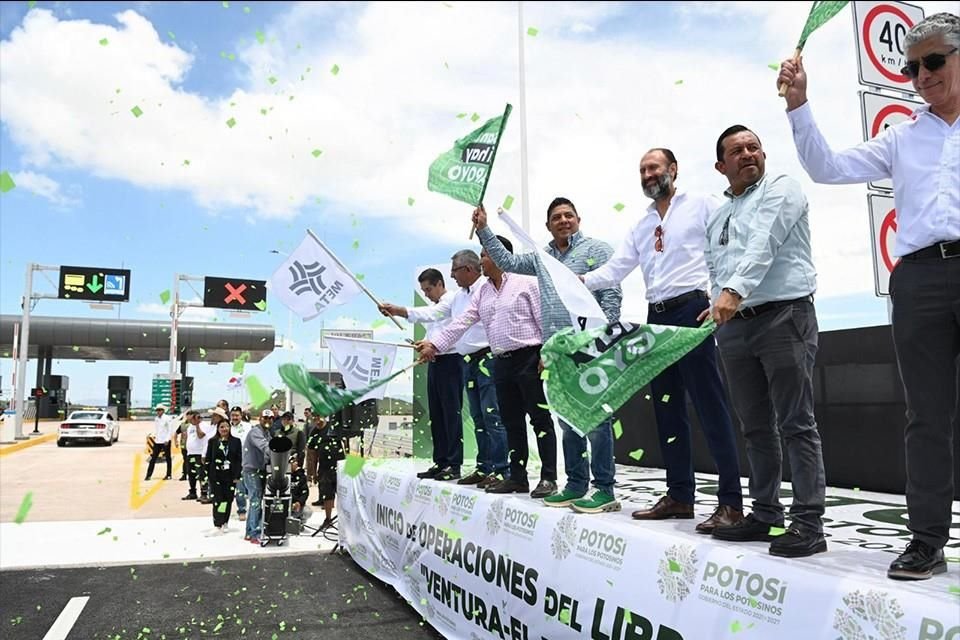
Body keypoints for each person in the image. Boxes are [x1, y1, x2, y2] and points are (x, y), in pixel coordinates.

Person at [777, 12, 959, 578]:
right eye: (911, 68)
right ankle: (926, 541)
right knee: (926, 416)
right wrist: (799, 106)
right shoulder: (903, 134)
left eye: (934, 61)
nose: (921, 75)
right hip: (921, 279)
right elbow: (826, 167)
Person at [583, 149, 744, 533]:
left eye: (654, 167)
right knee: (667, 409)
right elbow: (617, 268)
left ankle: (731, 503)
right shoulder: (640, 225)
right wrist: (581, 282)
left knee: (710, 407)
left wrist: (724, 293)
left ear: (673, 169)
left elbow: (730, 246)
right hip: (656, 318)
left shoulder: (703, 204)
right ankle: (680, 497)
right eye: (642, 170)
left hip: (693, 311)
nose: (648, 174)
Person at [699, 124, 826, 559]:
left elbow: (763, 243)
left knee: (796, 422)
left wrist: (732, 292)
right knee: (755, 427)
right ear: (721, 166)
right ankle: (766, 513)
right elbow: (716, 266)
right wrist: (718, 300)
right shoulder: (717, 215)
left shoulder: (783, 189)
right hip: (735, 329)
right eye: (736, 151)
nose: (748, 154)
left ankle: (808, 522)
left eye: (753, 147)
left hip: (784, 317)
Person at [473, 199, 622, 512]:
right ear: (548, 225)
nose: (563, 220)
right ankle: (576, 484)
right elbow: (507, 260)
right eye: (556, 217)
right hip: (557, 352)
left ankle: (605, 489)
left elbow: (611, 294)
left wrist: (604, 337)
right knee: (568, 421)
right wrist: (484, 229)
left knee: (596, 420)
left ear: (578, 218)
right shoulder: (543, 259)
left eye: (569, 215)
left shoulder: (597, 250)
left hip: (590, 345)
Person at [417, 237, 558, 499]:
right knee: (511, 422)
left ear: (500, 254)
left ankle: (549, 477)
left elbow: (545, 320)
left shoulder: (526, 282)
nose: (481, 260)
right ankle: (517, 477)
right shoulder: (483, 292)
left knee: (539, 420)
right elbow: (462, 323)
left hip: (529, 358)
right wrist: (434, 345)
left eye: (485, 255)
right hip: (501, 362)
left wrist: (547, 353)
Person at [379, 252, 509, 489]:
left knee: (485, 415)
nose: (451, 275)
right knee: (469, 416)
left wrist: (402, 313)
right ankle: (476, 465)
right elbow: (441, 318)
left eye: (454, 270)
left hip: (477, 358)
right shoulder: (458, 298)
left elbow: (457, 323)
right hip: (458, 358)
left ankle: (493, 468)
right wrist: (427, 341)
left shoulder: (484, 288)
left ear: (469, 269)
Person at [204, 418, 242, 536]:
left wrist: (237, 475)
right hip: (216, 476)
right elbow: (208, 459)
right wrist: (208, 475)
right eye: (222, 427)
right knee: (218, 500)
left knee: (228, 499)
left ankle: (225, 521)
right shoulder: (213, 441)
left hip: (230, 476)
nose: (224, 429)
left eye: (226, 426)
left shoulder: (236, 441)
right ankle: (217, 524)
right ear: (218, 429)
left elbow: (238, 460)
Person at [241, 409, 273, 543]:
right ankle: (255, 533)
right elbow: (266, 447)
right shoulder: (256, 432)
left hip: (259, 470)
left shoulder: (267, 433)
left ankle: (249, 532)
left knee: (256, 500)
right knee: (256, 501)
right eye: (265, 418)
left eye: (270, 418)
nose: (267, 421)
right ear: (260, 419)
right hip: (252, 470)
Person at [311, 412, 344, 529]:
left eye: (318, 417)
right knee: (327, 495)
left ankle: (344, 520)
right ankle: (328, 519)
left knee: (343, 494)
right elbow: (312, 455)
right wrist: (313, 472)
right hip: (324, 469)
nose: (317, 420)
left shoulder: (334, 426)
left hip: (340, 467)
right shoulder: (314, 433)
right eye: (314, 418)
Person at [181, 410, 211, 502]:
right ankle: (192, 492)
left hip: (199, 454)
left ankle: (204, 493)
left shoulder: (204, 425)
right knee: (191, 474)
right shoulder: (190, 426)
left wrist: (197, 424)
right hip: (190, 453)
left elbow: (201, 435)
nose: (189, 421)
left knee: (201, 474)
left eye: (191, 419)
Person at [228, 406, 252, 520]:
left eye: (237, 415)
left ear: (241, 415)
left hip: (244, 460)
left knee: (240, 487)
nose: (235, 417)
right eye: (233, 415)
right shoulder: (227, 427)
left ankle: (242, 510)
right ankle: (224, 511)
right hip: (229, 461)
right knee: (228, 488)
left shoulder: (247, 427)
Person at [145, 403, 174, 481]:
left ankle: (169, 474)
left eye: (159, 410)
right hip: (158, 441)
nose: (158, 412)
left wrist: (167, 439)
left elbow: (170, 429)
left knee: (168, 458)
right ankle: (148, 475)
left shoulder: (167, 418)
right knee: (153, 458)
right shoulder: (156, 419)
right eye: (157, 410)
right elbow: (157, 430)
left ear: (163, 411)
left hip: (165, 441)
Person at [289, 454, 311, 525]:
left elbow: (305, 492)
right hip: (286, 505)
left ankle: (300, 523)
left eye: (296, 462)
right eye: (293, 462)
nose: (296, 463)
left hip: (297, 506)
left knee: (307, 511)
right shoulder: (283, 477)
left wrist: (299, 502)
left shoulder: (301, 476)